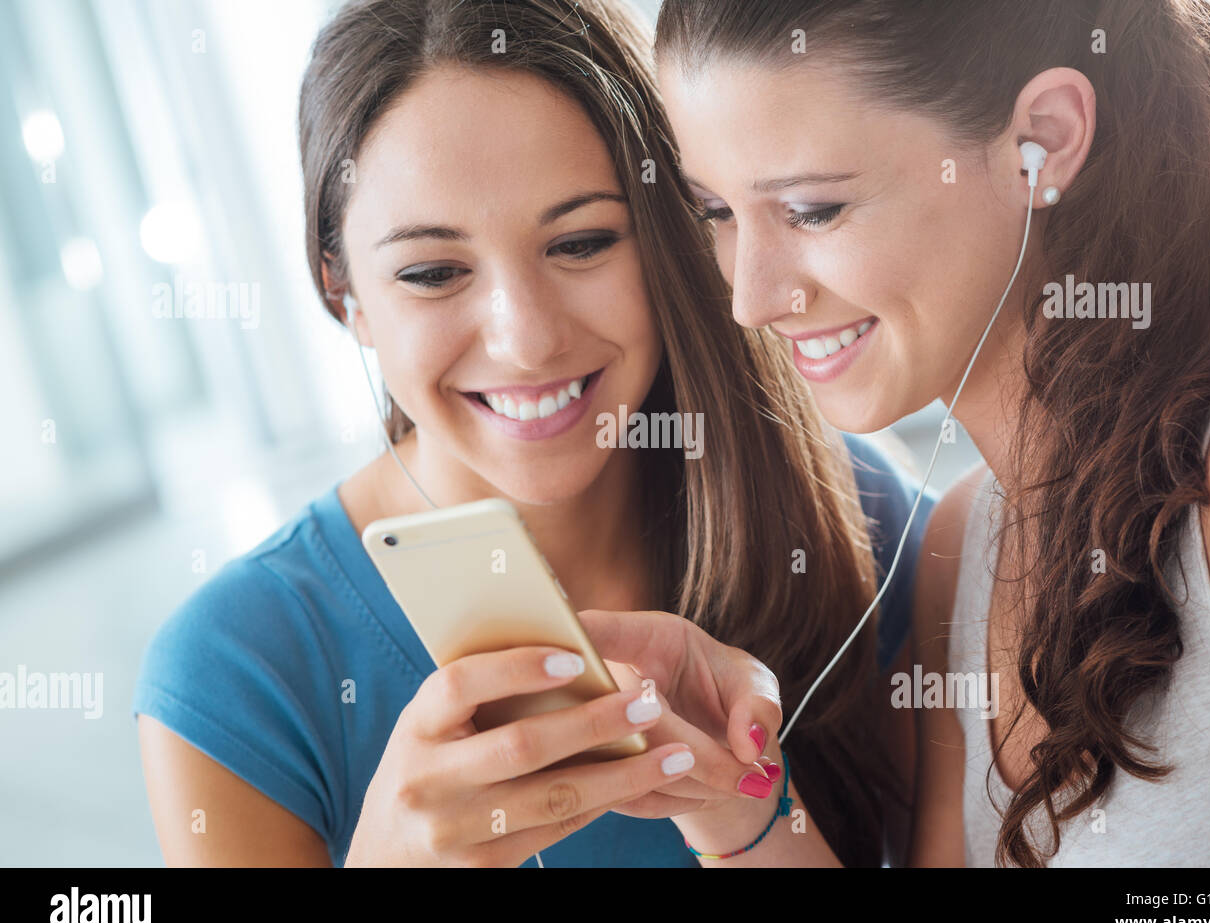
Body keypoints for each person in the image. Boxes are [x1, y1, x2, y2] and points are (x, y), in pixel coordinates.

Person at [133, 0, 934, 868]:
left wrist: (750, 815)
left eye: (583, 242)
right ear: (344, 293)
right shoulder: (237, 673)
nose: (528, 337)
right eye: (433, 272)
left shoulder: (857, 517)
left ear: (667, 236)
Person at [654, 0, 1210, 865]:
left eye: (811, 210)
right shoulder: (967, 542)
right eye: (717, 213)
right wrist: (735, 800)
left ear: (1044, 139)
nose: (752, 298)